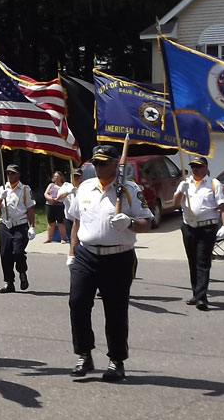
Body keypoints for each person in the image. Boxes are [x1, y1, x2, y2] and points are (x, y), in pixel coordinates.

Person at [67, 145, 153, 382]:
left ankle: (116, 360)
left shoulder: (130, 189)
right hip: (86, 255)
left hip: (118, 256)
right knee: (77, 303)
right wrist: (72, 252)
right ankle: (84, 353)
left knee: (115, 310)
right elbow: (76, 221)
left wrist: (130, 222)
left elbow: (146, 223)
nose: (98, 167)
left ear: (117, 163)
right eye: (96, 162)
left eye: (104, 162)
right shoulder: (85, 187)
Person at [173, 156, 224, 312]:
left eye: (198, 166)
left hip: (207, 228)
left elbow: (223, 206)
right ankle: (196, 294)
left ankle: (202, 298)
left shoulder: (214, 184)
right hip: (189, 227)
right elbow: (175, 203)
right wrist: (181, 191)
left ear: (205, 168)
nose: (195, 169)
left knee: (202, 262)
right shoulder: (185, 183)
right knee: (192, 261)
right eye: (193, 166)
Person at [0, 164, 35, 293]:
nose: (10, 175)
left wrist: (32, 226)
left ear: (18, 174)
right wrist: (1, 198)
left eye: (13, 173)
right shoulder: (2, 189)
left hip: (20, 225)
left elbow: (30, 209)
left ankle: (22, 272)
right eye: (8, 173)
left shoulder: (25, 189)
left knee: (18, 252)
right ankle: (9, 282)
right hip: (6, 225)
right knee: (5, 254)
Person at [57, 167, 84, 246]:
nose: (76, 178)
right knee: (72, 242)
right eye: (74, 176)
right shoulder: (66, 186)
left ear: (82, 177)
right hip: (70, 219)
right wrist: (69, 192)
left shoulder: (86, 187)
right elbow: (58, 198)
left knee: (82, 242)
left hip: (82, 220)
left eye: (78, 176)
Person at [44, 171, 68, 243]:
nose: (56, 178)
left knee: (61, 223)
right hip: (50, 205)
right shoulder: (51, 185)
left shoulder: (64, 186)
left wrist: (58, 198)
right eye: (55, 176)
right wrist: (50, 198)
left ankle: (63, 238)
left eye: (58, 176)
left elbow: (66, 193)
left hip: (60, 206)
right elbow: (46, 193)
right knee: (51, 222)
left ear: (61, 177)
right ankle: (49, 238)